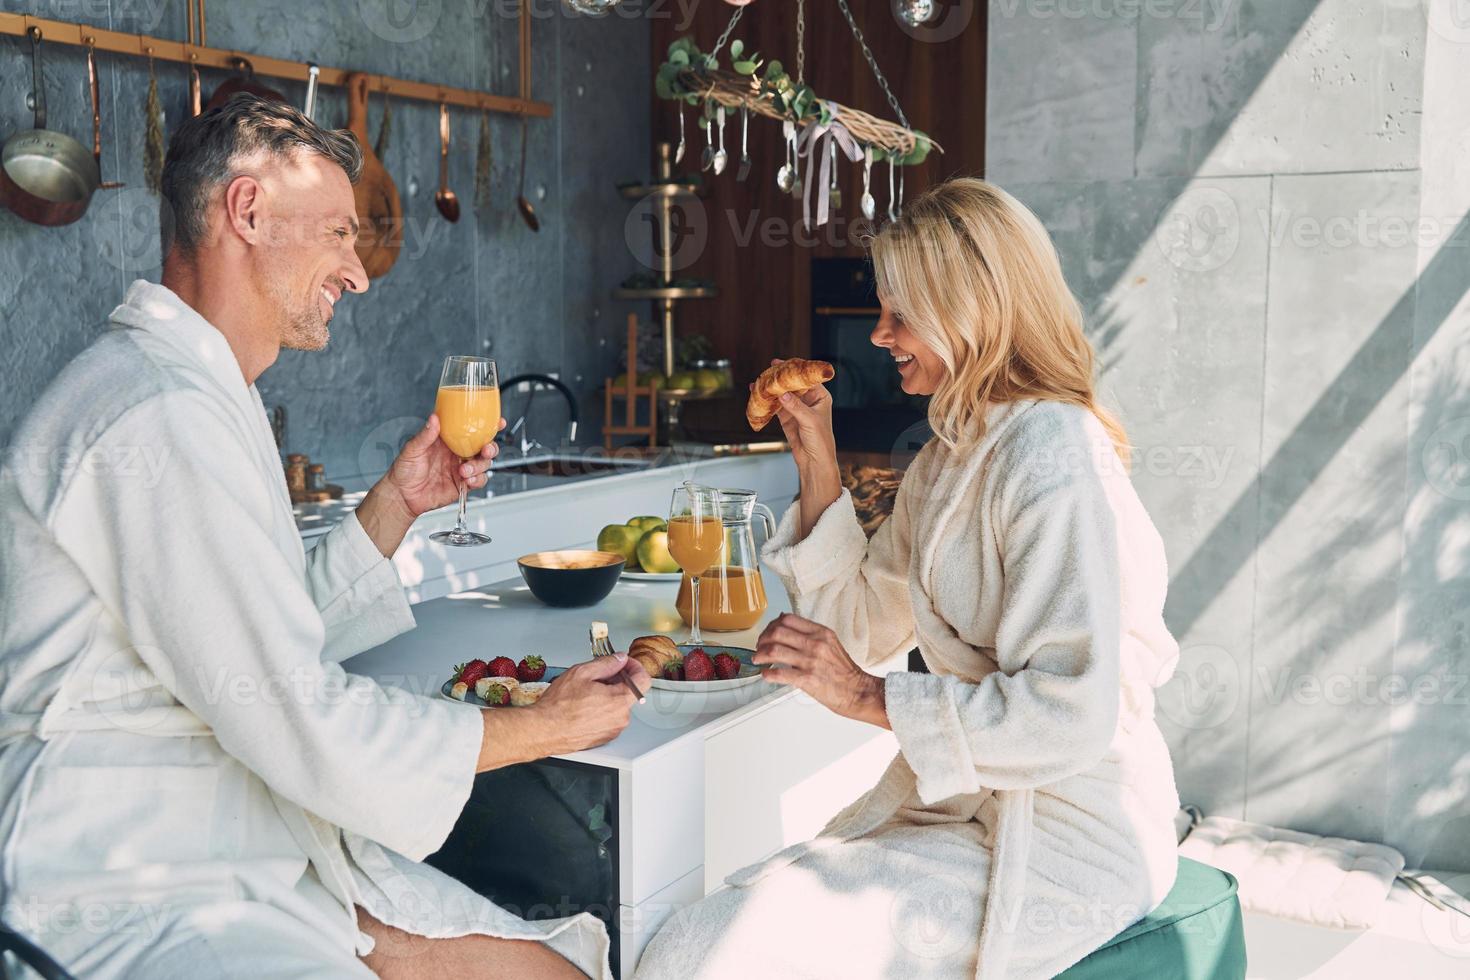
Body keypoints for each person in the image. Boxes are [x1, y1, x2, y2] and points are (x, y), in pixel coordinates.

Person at [0, 95, 648, 979]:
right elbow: (292, 708)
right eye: (340, 233)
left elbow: (253, 641)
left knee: (556, 970)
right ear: (248, 212)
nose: (359, 271)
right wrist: (543, 726)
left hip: (246, 836)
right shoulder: (154, 413)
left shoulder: (197, 393)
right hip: (134, 879)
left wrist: (393, 506)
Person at [635, 178, 1182, 979]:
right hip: (969, 807)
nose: (880, 335)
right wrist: (815, 454)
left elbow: (1072, 715)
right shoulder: (949, 456)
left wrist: (865, 696)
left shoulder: (1052, 453)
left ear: (974, 311)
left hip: (1072, 835)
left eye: (901, 316)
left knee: (714, 954)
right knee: (698, 941)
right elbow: (858, 628)